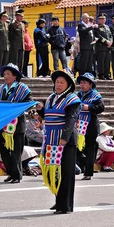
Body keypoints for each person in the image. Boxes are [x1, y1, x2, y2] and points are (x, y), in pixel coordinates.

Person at [38, 69, 81, 214]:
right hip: (51, 140)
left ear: (68, 84)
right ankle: (58, 201)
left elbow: (71, 120)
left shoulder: (73, 100)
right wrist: (40, 110)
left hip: (65, 141)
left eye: (62, 82)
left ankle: (65, 205)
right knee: (54, 171)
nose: (59, 84)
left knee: (66, 173)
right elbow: (48, 115)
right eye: (57, 82)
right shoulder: (51, 98)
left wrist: (64, 138)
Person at [0, 63, 32, 184]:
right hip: (3, 124)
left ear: (15, 76)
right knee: (3, 150)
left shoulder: (23, 89)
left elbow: (28, 103)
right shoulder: (1, 89)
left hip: (17, 124)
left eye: (8, 74)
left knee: (16, 151)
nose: (5, 76)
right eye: (4, 74)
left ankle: (17, 175)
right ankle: (11, 173)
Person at [74, 72, 104, 179]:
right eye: (81, 82)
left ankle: (88, 173)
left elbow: (101, 108)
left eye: (85, 83)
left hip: (90, 125)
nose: (82, 85)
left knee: (90, 148)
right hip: (78, 125)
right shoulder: (77, 95)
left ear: (90, 85)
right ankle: (78, 166)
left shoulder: (96, 95)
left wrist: (89, 107)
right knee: (76, 147)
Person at [94, 14, 113, 80]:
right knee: (101, 62)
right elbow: (98, 36)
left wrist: (111, 42)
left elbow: (110, 35)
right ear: (98, 20)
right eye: (101, 19)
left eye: (104, 19)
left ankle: (107, 74)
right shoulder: (97, 27)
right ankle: (101, 74)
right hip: (101, 47)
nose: (102, 20)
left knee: (107, 61)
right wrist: (106, 42)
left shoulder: (107, 27)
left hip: (108, 47)